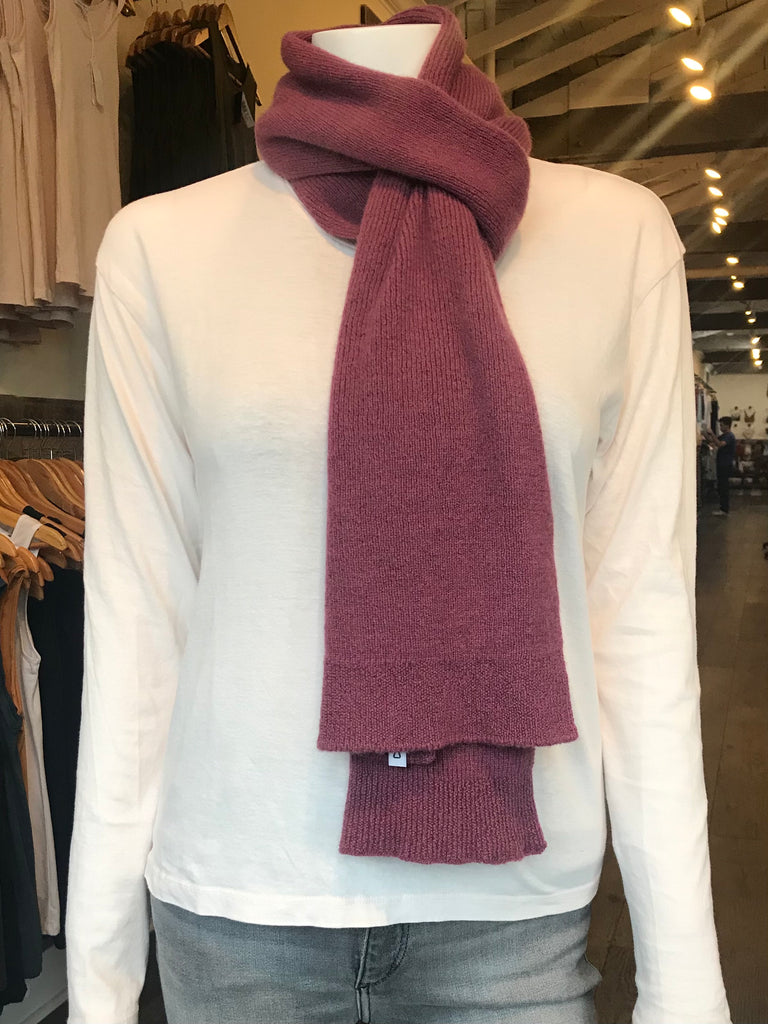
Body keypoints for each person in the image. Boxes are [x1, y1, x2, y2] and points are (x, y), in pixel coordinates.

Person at [714, 416, 737, 515]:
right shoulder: (724, 435)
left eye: (721, 425)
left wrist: (711, 434)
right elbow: (714, 441)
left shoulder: (729, 436)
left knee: (723, 487)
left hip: (725, 464)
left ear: (727, 426)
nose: (720, 427)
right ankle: (722, 507)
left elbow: (720, 444)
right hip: (721, 464)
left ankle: (724, 509)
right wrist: (706, 434)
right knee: (721, 486)